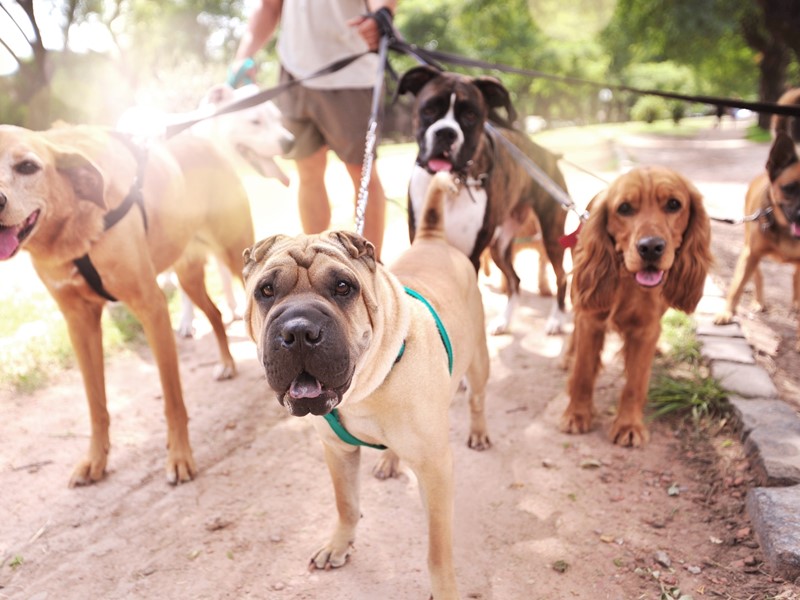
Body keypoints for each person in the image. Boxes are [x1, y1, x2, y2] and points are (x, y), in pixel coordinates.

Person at [231, 0, 396, 260]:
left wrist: (382, 13)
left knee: (361, 174)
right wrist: (243, 57)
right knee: (307, 171)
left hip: (351, 72)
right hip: (295, 73)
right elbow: (269, 7)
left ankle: (371, 272)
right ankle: (316, 265)